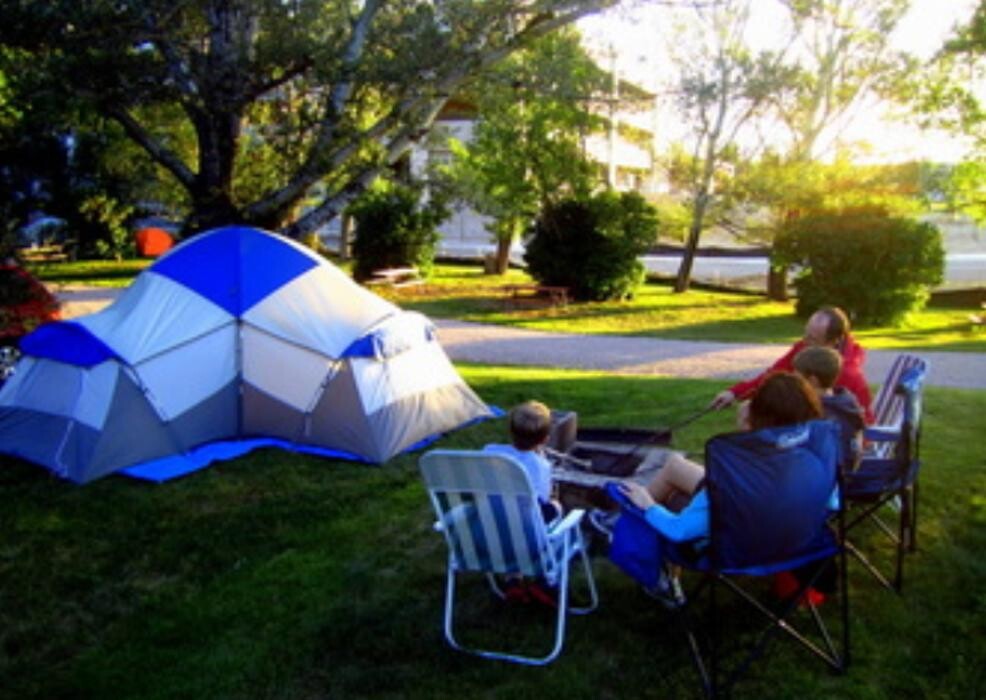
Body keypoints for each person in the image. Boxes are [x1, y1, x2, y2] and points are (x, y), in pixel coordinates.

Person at [614, 372, 825, 606]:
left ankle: (662, 578)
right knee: (675, 466)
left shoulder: (732, 475)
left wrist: (648, 504)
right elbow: (832, 504)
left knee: (674, 500)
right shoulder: (814, 460)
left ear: (753, 421)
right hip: (793, 544)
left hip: (738, 548)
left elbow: (679, 530)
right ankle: (619, 524)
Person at [709, 306, 874, 424]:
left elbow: (864, 421)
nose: (805, 342)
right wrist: (735, 392)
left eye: (813, 339)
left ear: (834, 341)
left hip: (821, 441)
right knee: (748, 409)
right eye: (806, 334)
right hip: (803, 428)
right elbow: (774, 375)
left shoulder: (849, 375)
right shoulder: (805, 348)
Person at [484, 400, 563, 606]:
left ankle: (513, 580)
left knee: (507, 514)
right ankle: (543, 580)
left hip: (489, 535)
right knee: (554, 509)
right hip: (528, 540)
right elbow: (541, 505)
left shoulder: (489, 452)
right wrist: (555, 504)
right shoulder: (540, 466)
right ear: (545, 439)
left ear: (510, 431)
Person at [793, 345, 866, 470]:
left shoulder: (814, 411)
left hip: (823, 474)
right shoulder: (847, 402)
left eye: (797, 377)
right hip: (848, 469)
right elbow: (858, 437)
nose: (793, 381)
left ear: (812, 381)